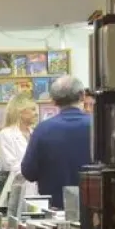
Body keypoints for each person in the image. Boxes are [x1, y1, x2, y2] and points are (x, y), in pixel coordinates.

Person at [21, 76, 92, 209]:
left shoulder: (42, 130)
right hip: (94, 207)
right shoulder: (99, 126)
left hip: (55, 210)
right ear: (82, 96)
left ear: (53, 101)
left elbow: (28, 172)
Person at [0, 93, 37, 173]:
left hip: (35, 184)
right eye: (33, 109)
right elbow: (10, 166)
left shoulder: (35, 133)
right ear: (20, 112)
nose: (36, 113)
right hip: (16, 184)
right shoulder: (6, 134)